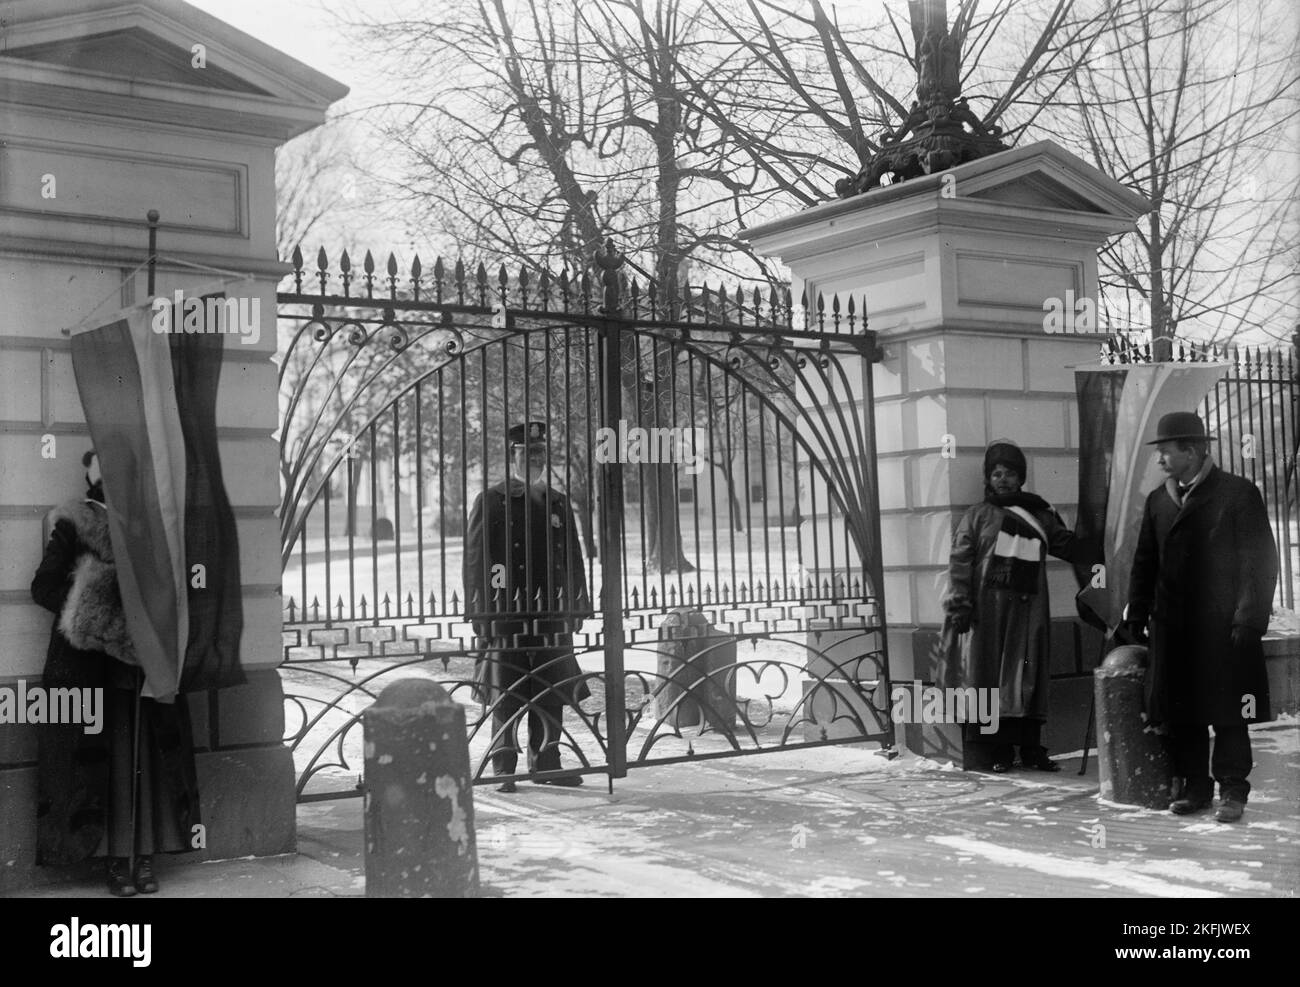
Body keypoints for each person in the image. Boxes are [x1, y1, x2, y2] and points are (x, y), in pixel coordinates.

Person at [30, 450, 201, 896]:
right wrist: (98, 603)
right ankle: (112, 861)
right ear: (93, 476)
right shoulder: (76, 523)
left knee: (145, 759)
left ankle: (143, 857)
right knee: (101, 763)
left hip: (140, 662)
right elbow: (43, 586)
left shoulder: (151, 527)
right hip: (91, 667)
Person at [1123, 412, 1277, 823]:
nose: (1160, 461)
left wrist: (1249, 619)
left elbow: (1259, 561)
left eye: (1166, 452)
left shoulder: (1237, 493)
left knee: (1228, 712)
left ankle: (1232, 790)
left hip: (1222, 626)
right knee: (1180, 710)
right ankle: (1195, 787)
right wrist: (1136, 613)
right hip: (1172, 626)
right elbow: (1145, 562)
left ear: (1191, 451)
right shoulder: (1159, 499)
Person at [463, 421, 592, 792]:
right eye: (525, 454)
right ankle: (504, 766)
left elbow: (571, 557)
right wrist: (486, 609)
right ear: (513, 457)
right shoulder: (492, 501)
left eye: (538, 454)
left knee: (551, 691)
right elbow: (482, 561)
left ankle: (547, 761)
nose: (532, 460)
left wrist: (576, 604)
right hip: (508, 612)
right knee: (506, 691)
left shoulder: (557, 502)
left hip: (551, 613)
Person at [941, 440, 1081, 773]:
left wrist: (1100, 536)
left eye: (1011, 474)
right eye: (997, 473)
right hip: (986, 613)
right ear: (988, 479)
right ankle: (997, 751)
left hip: (1027, 611)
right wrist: (960, 603)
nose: (1003, 479)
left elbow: (1067, 545)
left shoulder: (1040, 514)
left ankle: (1031, 749)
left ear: (1021, 478)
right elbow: (960, 560)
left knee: (1026, 676)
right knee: (988, 678)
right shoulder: (976, 516)